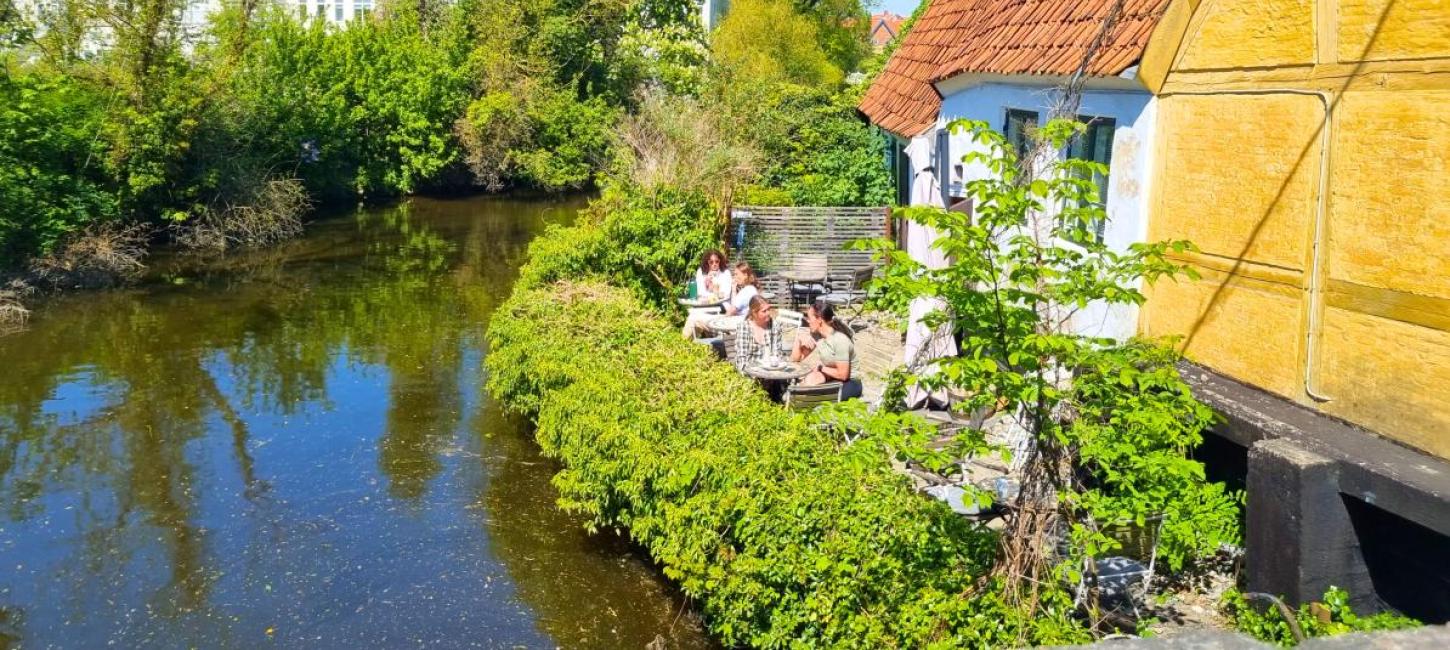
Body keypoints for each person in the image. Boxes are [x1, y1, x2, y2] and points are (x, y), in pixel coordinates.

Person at [790, 300, 862, 399]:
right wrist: (798, 340)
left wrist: (821, 368)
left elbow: (843, 375)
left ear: (819, 320)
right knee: (808, 383)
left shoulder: (840, 340)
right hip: (833, 377)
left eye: (809, 317)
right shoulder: (817, 336)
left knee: (813, 398)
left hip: (850, 383)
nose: (807, 321)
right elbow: (796, 359)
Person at [682, 262, 759, 340]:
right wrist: (733, 289)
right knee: (698, 317)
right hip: (736, 323)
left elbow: (730, 311)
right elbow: (734, 306)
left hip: (731, 327)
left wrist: (717, 321)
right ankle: (697, 344)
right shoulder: (750, 289)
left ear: (745, 275)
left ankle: (683, 343)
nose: (734, 277)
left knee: (694, 318)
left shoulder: (746, 291)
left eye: (736, 274)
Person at [734, 296, 783, 369]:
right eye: (764, 311)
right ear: (754, 313)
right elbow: (741, 358)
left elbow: (777, 354)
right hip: (750, 372)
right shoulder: (744, 327)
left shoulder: (774, 326)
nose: (768, 313)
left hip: (771, 372)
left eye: (768, 309)